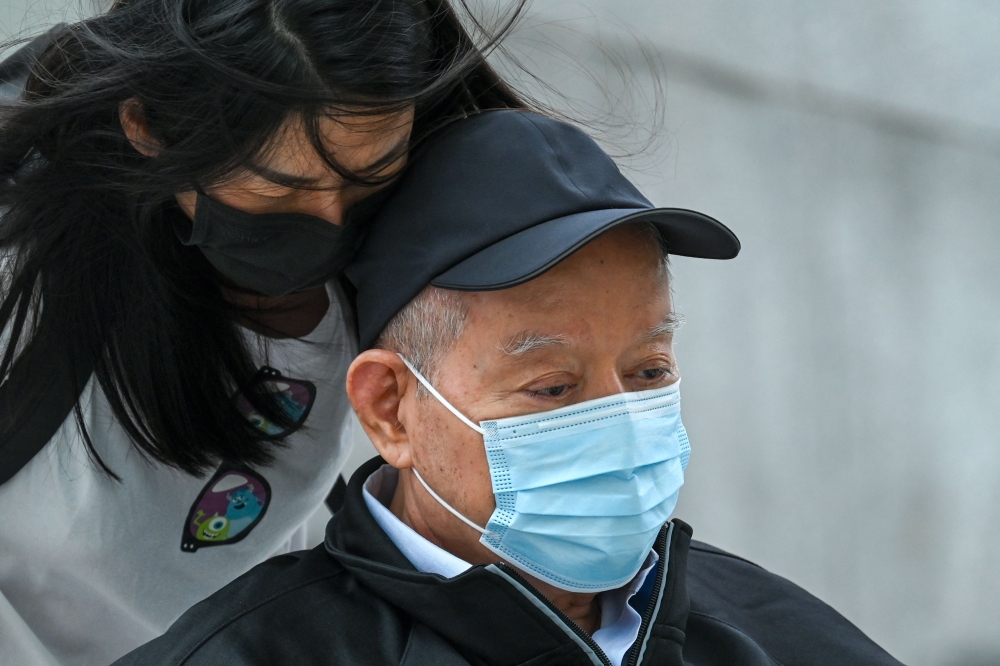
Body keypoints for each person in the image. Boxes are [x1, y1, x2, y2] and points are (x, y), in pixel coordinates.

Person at [114, 111, 905, 665]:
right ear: (391, 408)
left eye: (649, 372)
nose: (621, 424)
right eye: (552, 387)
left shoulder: (783, 636)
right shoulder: (244, 653)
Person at [0, 1, 529, 663]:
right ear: (148, 128)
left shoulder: (412, 248)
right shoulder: (28, 283)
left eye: (368, 176)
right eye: (282, 189)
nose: (332, 221)